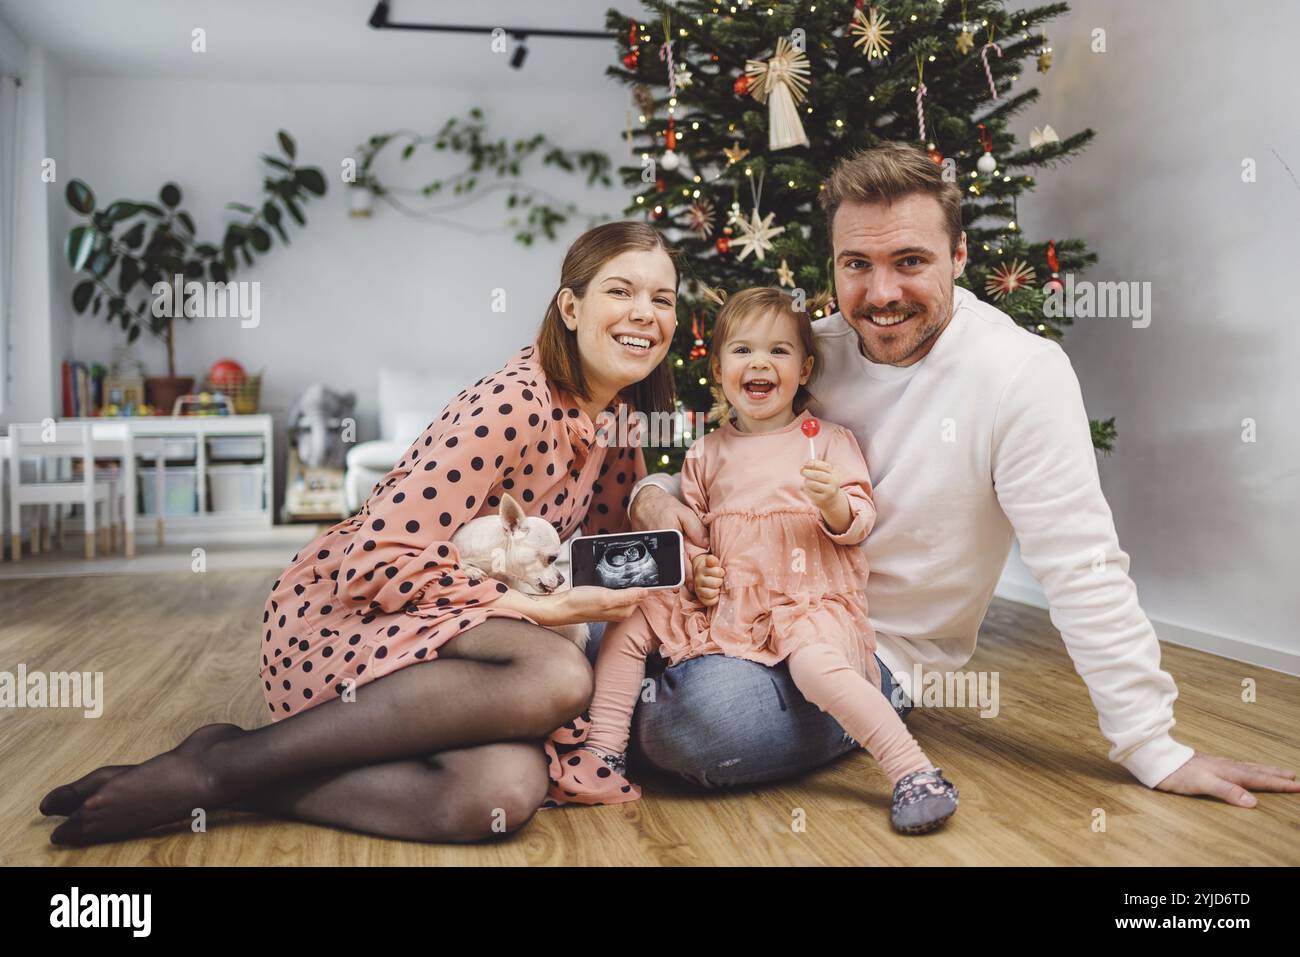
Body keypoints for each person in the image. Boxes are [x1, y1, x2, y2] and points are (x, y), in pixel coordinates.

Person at [623, 142, 1299, 807]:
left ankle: (601, 712)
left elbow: (1082, 564)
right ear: (832, 265)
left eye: (910, 261)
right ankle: (600, 701)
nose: (881, 293)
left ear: (960, 256)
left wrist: (1152, 744)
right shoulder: (810, 354)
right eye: (856, 264)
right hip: (742, 603)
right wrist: (650, 500)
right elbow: (713, 462)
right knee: (594, 613)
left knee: (698, 723)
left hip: (875, 649)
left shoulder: (1018, 375)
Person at [38, 220, 681, 845]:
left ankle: (231, 769)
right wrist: (543, 607)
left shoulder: (613, 420)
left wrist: (690, 524)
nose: (644, 313)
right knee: (559, 674)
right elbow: (375, 559)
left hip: (464, 647)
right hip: (349, 618)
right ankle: (213, 770)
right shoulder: (512, 405)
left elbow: (601, 553)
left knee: (495, 795)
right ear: (570, 307)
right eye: (620, 291)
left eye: (662, 299)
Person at [548, 287, 959, 833]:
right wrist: (698, 567)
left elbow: (858, 523)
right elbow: (691, 533)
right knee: (629, 624)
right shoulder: (706, 453)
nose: (760, 363)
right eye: (742, 351)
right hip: (730, 601)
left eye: (779, 352)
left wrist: (833, 501)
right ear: (717, 370)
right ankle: (604, 751)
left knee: (819, 669)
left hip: (803, 601)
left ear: (805, 368)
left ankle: (913, 771)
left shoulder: (829, 442)